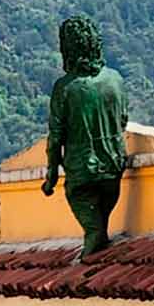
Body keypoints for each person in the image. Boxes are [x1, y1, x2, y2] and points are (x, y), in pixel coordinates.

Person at [43, 15, 130, 258]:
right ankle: (97, 238)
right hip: (113, 162)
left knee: (81, 201)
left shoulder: (65, 87)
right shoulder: (115, 79)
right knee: (103, 208)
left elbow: (56, 134)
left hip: (82, 167)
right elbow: (123, 119)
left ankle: (94, 236)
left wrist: (51, 172)